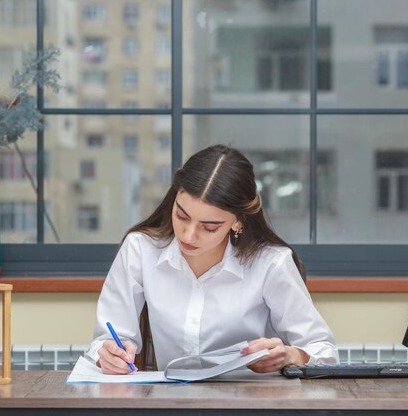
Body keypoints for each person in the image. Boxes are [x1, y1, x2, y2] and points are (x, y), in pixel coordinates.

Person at [86, 144, 338, 374]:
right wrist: (107, 354)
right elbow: (109, 338)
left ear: (238, 221)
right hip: (170, 401)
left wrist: (291, 355)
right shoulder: (140, 249)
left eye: (209, 227)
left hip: (253, 404)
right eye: (182, 216)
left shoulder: (271, 263)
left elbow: (324, 352)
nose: (188, 234)